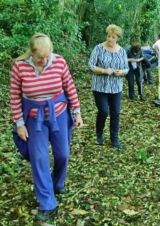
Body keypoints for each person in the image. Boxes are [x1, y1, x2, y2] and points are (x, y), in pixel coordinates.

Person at [10, 33, 83, 222]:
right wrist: (19, 124)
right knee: (39, 158)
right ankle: (47, 202)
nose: (43, 60)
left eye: (46, 56)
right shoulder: (20, 67)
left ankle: (57, 184)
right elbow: (15, 97)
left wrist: (77, 112)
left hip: (59, 114)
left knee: (63, 154)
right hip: (34, 119)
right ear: (31, 53)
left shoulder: (59, 62)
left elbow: (70, 86)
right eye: (39, 57)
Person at [88, 24, 129, 149]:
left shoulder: (122, 51)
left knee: (115, 112)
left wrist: (121, 72)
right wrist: (104, 71)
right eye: (109, 36)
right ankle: (99, 134)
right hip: (100, 87)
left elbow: (126, 68)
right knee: (104, 111)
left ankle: (114, 139)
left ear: (117, 38)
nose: (110, 39)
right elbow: (91, 65)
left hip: (116, 87)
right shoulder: (98, 48)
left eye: (113, 37)